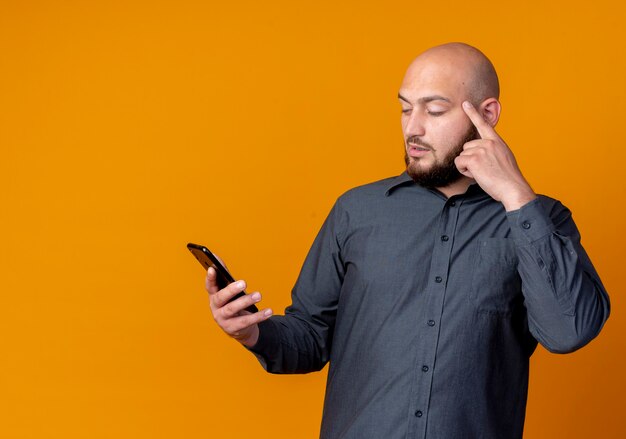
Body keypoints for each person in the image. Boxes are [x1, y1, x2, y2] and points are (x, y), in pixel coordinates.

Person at [204, 43, 610, 439]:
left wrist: (518, 198)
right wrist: (251, 333)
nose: (412, 128)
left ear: (487, 114)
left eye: (434, 110)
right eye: (404, 108)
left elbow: (568, 331)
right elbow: (310, 337)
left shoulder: (540, 220)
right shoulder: (356, 211)